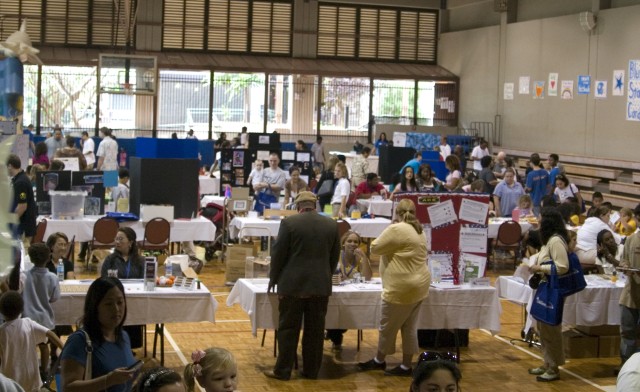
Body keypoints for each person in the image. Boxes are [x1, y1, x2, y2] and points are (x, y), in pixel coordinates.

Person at [265, 191, 340, 380]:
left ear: (298, 206)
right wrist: (325, 276)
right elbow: (334, 257)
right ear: (315, 205)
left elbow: (278, 255)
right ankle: (311, 371)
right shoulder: (331, 224)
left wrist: (273, 280)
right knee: (315, 332)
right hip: (319, 286)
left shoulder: (289, 223)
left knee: (288, 330)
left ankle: (283, 371)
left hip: (292, 285)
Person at [358, 199, 430, 376]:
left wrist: (392, 227)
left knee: (387, 327)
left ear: (396, 212)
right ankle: (406, 366)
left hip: (400, 287)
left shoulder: (396, 229)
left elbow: (374, 248)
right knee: (409, 327)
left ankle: (379, 360)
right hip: (420, 286)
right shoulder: (419, 230)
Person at [60, 277, 138, 392]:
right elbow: (68, 388)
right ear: (95, 307)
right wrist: (108, 380)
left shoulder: (123, 336)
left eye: (120, 302)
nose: (116, 309)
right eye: (108, 304)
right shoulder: (79, 341)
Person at [527, 207, 570, 382]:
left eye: (540, 217)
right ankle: (547, 362)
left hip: (554, 288)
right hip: (545, 286)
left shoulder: (556, 241)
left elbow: (562, 266)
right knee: (542, 328)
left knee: (551, 329)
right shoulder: (548, 241)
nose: (538, 220)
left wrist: (539, 267)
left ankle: (554, 367)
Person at [0, 291, 64, 392]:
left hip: (11, 382)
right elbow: (50, 334)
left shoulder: (1, 331)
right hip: (31, 380)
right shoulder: (28, 323)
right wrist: (64, 349)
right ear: (21, 308)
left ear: (2, 311)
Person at [326, 231, 372, 351]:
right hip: (335, 295)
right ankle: (334, 333)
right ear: (343, 243)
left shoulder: (360, 258)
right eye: (349, 241)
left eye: (356, 242)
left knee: (347, 314)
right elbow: (327, 273)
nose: (353, 244)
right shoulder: (336, 255)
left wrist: (365, 258)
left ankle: (334, 333)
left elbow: (367, 277)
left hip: (352, 297)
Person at [22, 243, 61, 378]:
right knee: (44, 347)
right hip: (44, 318)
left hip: (26, 318)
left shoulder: (24, 276)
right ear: (49, 257)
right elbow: (54, 298)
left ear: (31, 259)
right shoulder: (52, 277)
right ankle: (44, 371)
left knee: (27, 347)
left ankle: (28, 369)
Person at [619, 209, 640, 370]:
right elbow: (624, 259)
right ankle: (626, 366)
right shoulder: (631, 239)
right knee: (627, 332)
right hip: (630, 294)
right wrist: (625, 267)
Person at [7, 154, 37, 246]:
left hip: (24, 227)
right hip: (23, 225)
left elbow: (22, 207)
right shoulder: (19, 179)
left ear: (10, 166)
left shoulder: (21, 183)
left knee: (23, 254)